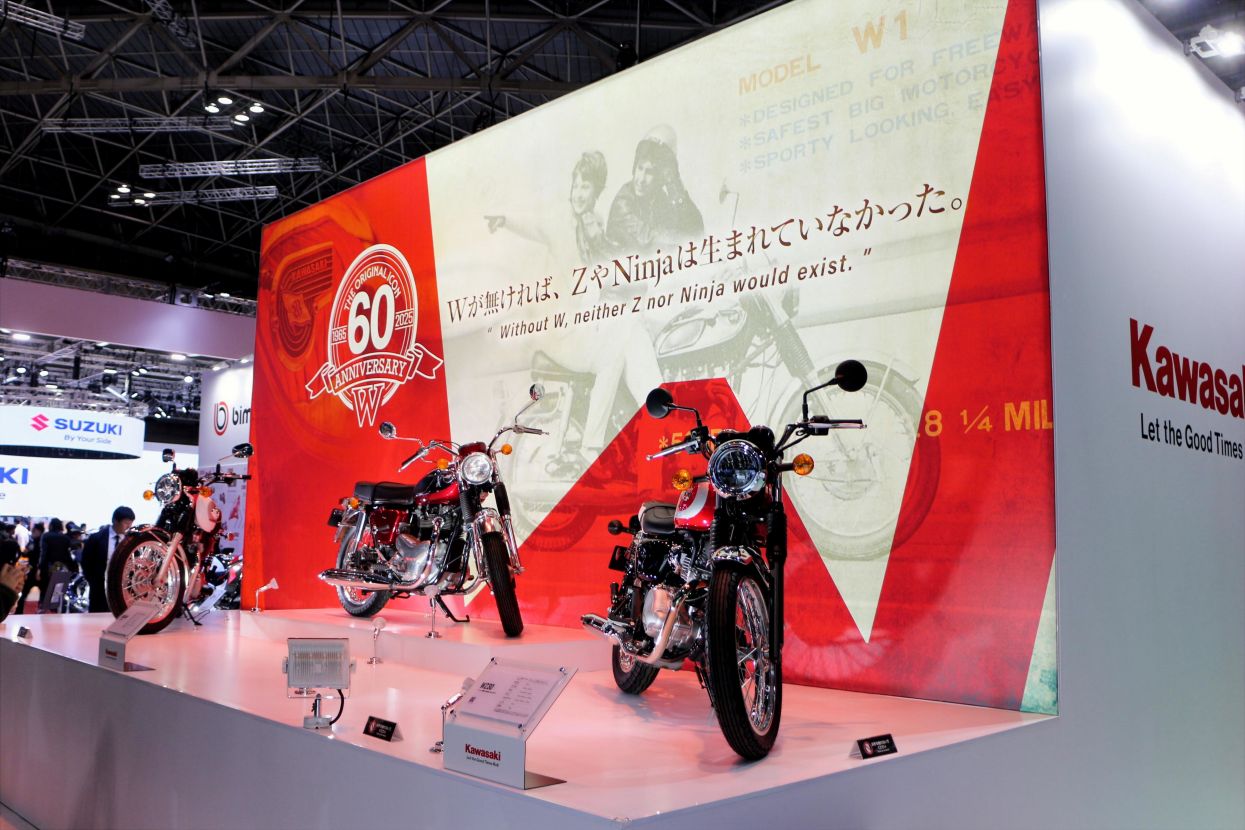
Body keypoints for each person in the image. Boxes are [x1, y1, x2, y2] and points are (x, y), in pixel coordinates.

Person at [607, 125, 704, 254]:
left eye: (649, 172)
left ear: (659, 176)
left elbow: (696, 229)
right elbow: (648, 240)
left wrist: (674, 183)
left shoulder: (658, 199)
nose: (641, 179)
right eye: (640, 168)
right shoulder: (623, 201)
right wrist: (687, 240)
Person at [81, 506, 135, 613]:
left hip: (122, 590)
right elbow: (86, 562)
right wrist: (93, 581)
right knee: (97, 616)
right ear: (115, 521)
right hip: (99, 589)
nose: (128, 526)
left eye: (130, 523)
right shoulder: (96, 538)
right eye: (126, 523)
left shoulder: (131, 540)